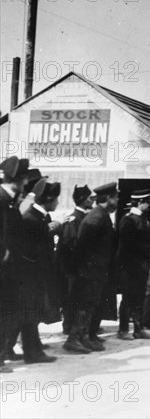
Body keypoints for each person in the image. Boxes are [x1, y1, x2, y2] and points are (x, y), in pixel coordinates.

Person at [72, 182, 119, 352]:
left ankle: (85, 337)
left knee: (91, 305)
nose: (118, 200)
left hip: (96, 270)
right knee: (85, 305)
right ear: (108, 198)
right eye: (116, 197)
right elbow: (82, 248)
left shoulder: (102, 215)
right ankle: (74, 339)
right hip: (89, 271)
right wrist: (85, 270)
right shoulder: (95, 218)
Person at [20, 177, 61, 364]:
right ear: (48, 200)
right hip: (32, 276)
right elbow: (29, 253)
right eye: (56, 199)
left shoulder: (41, 217)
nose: (58, 203)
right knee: (30, 314)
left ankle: (34, 350)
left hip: (38, 275)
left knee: (34, 314)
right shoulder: (31, 219)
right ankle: (32, 353)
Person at [0, 157, 32, 371]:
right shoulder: (2, 199)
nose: (27, 181)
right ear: (19, 179)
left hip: (10, 270)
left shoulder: (9, 200)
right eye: (25, 177)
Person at [117, 190, 150, 340]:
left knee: (139, 297)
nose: (149, 205)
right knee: (128, 298)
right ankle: (123, 330)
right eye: (148, 202)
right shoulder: (128, 220)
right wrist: (148, 250)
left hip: (141, 265)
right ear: (140, 202)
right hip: (129, 267)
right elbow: (128, 245)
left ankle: (139, 329)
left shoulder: (143, 219)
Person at [58, 185, 95, 343]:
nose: (92, 201)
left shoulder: (83, 217)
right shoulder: (74, 219)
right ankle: (69, 327)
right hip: (74, 268)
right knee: (72, 298)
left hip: (79, 267)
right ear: (83, 200)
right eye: (90, 198)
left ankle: (75, 327)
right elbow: (70, 245)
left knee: (76, 297)